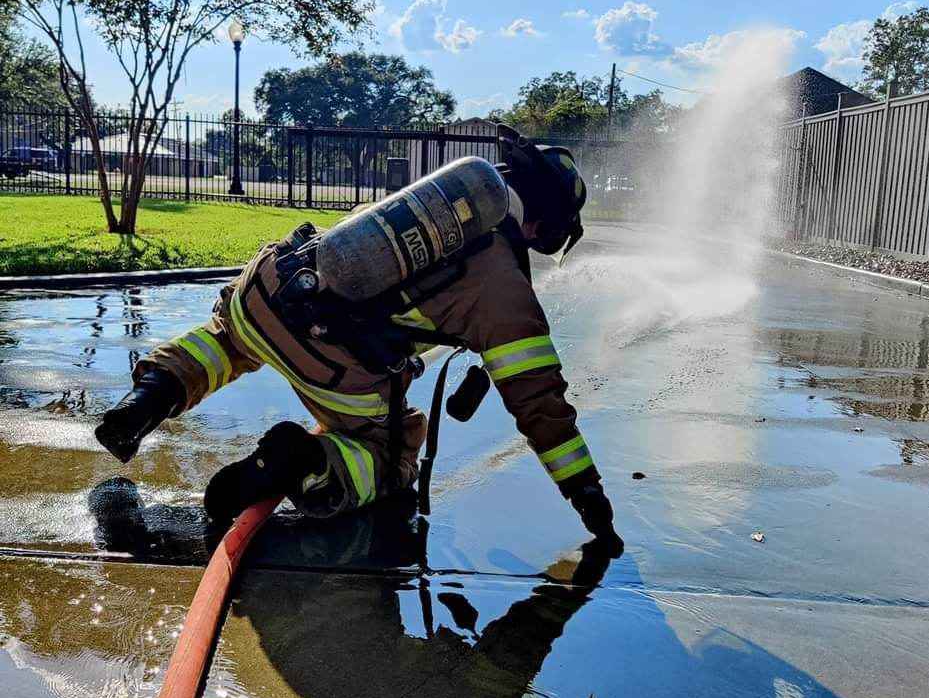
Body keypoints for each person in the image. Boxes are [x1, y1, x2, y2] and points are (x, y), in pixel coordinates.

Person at [95, 128, 622, 551]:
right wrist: (586, 494)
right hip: (330, 359)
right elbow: (539, 403)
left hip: (265, 289)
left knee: (229, 342)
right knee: (396, 451)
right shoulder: (504, 287)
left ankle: (143, 403)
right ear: (541, 227)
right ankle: (302, 463)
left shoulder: (429, 200)